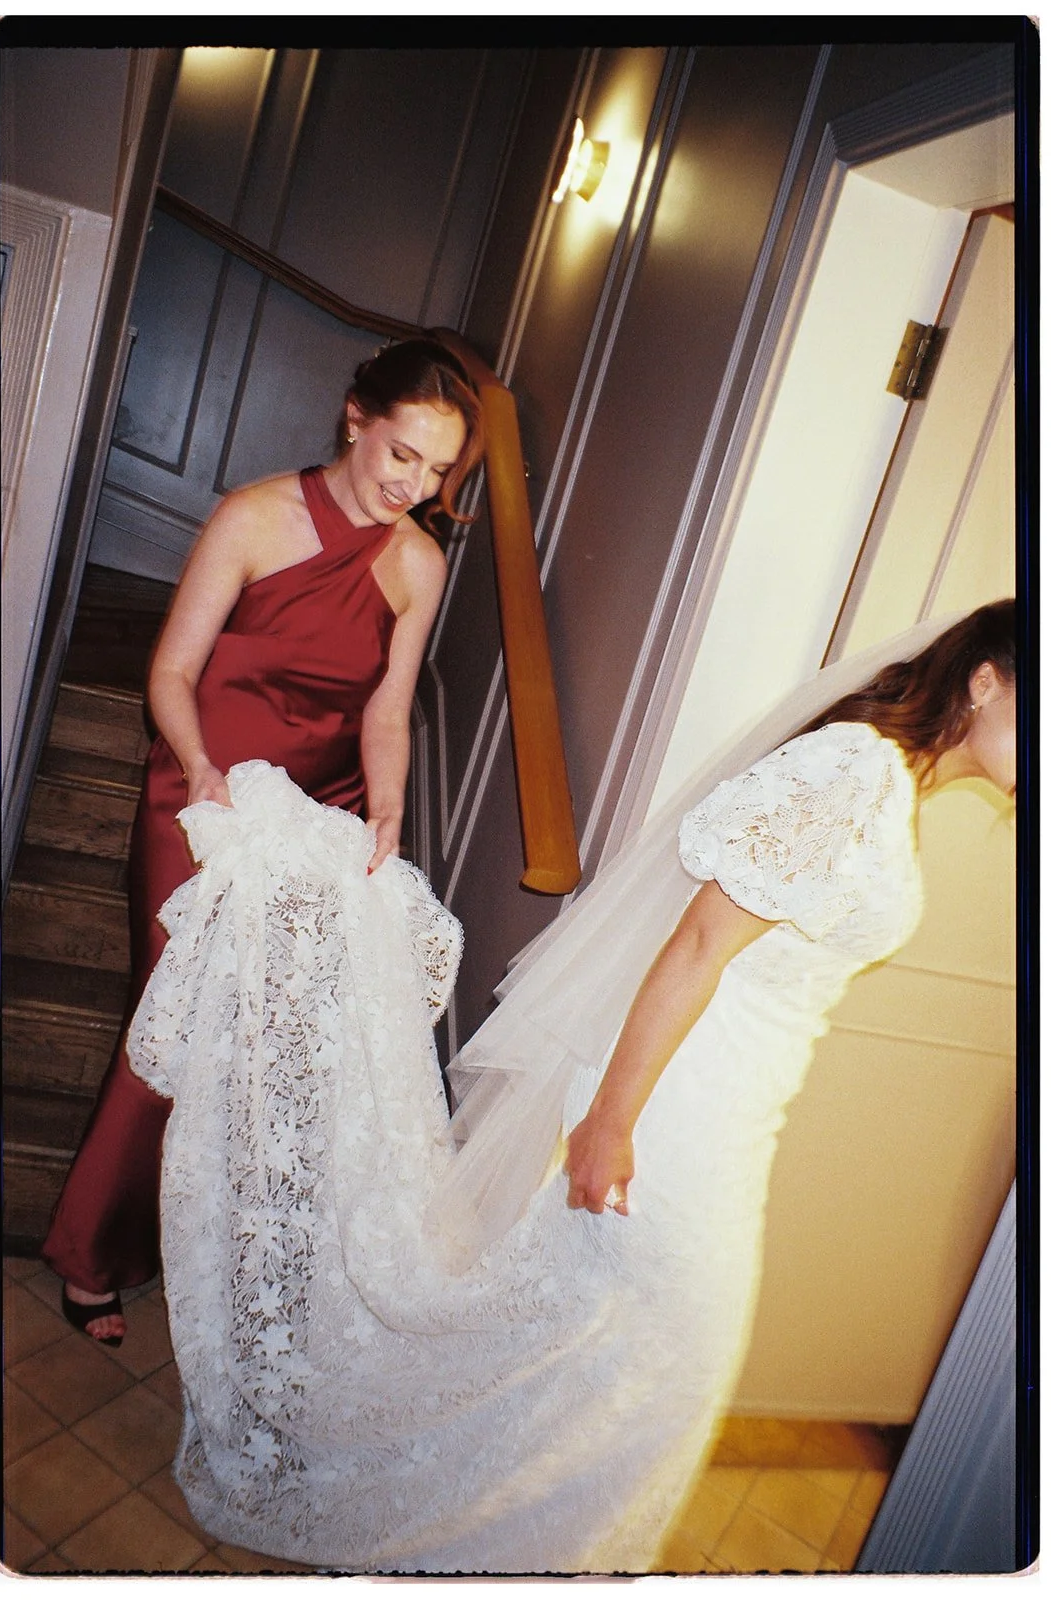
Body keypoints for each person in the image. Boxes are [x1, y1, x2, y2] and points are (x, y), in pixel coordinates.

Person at [128, 599, 1015, 1573]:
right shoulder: (853, 770)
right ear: (985, 681)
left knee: (599, 1353)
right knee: (674, 1359)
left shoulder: (893, 789)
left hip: (735, 1105)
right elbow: (698, 945)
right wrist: (609, 1122)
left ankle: (495, 1538)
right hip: (678, 1104)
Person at [41, 337, 484, 1346]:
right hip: (204, 796)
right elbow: (171, 670)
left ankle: (205, 1241)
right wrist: (197, 766)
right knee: (178, 1010)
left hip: (318, 812)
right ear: (355, 418)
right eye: (401, 454)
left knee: (268, 1041)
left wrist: (386, 811)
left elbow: (387, 710)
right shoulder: (252, 516)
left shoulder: (417, 562)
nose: (414, 486)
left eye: (436, 470)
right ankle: (90, 1250)